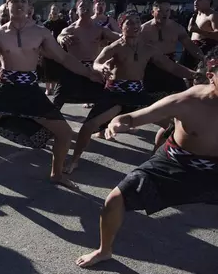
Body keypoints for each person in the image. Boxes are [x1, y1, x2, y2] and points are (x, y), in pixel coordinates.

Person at [0, 0, 102, 189]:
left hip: (30, 90)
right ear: (7, 6)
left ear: (30, 6)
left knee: (64, 133)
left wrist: (88, 73)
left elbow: (63, 57)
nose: (20, 4)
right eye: (15, 1)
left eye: (24, 0)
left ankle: (57, 174)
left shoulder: (41, 32)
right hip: (3, 89)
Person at [75, 54, 217, 268]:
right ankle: (104, 251)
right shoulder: (186, 101)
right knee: (114, 200)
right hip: (175, 162)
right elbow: (134, 117)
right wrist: (118, 122)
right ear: (211, 77)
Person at [64, 11, 198, 174]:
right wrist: (102, 67)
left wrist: (193, 74)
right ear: (121, 27)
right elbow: (97, 62)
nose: (134, 26)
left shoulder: (149, 49)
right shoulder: (114, 47)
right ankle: (74, 160)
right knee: (88, 127)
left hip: (137, 95)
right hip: (115, 94)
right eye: (129, 23)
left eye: (137, 22)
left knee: (171, 125)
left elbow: (172, 67)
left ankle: (156, 158)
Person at [141, 0, 206, 150]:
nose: (165, 14)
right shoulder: (143, 30)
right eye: (161, 11)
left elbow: (190, 46)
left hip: (171, 68)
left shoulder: (176, 28)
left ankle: (178, 137)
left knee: (184, 103)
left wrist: (204, 59)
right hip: (150, 69)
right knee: (155, 107)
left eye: (168, 11)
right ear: (153, 12)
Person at [52, 0, 120, 109]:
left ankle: (102, 125)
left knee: (109, 101)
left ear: (92, 9)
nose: (85, 7)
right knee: (56, 103)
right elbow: (60, 36)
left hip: (94, 70)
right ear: (77, 10)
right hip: (74, 69)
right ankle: (47, 125)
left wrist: (129, 35)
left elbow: (118, 37)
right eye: (82, 5)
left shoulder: (100, 29)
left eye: (88, 4)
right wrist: (62, 38)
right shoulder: (71, 29)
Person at [180, 0, 218, 71]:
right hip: (191, 49)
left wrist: (198, 31)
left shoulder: (213, 15)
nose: (195, 2)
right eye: (194, 0)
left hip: (206, 50)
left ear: (208, 1)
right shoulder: (194, 17)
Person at [42, 4, 69, 95]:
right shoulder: (46, 24)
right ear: (50, 11)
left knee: (55, 68)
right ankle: (47, 88)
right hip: (47, 49)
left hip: (58, 48)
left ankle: (53, 88)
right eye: (53, 9)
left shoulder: (63, 23)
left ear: (59, 11)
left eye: (56, 9)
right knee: (47, 68)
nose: (54, 11)